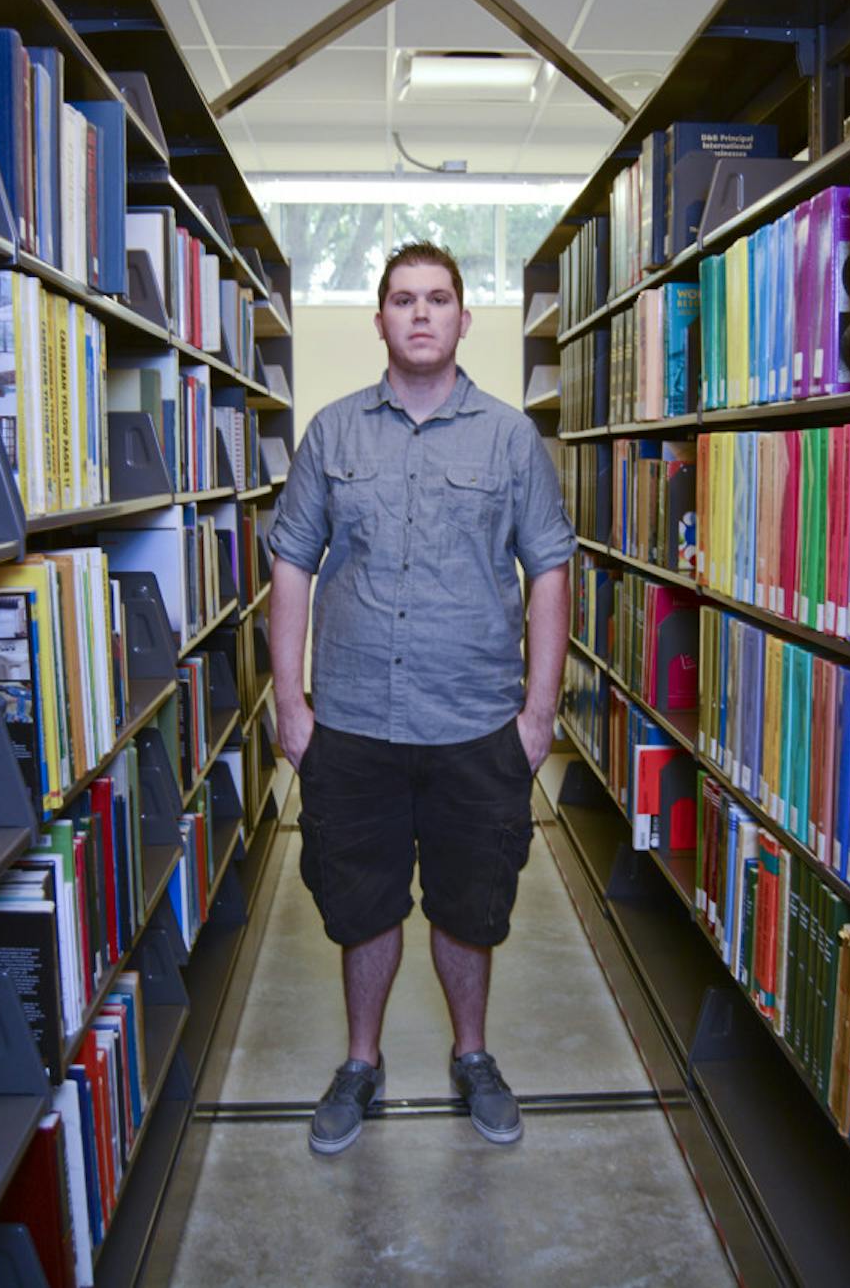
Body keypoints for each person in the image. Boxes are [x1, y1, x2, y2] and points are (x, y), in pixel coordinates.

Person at [269, 240, 575, 1156]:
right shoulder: (332, 434)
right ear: (380, 320)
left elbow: (550, 570)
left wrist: (537, 713)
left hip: (476, 725)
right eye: (402, 299)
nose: (421, 313)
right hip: (354, 723)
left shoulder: (512, 438)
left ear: (463, 317)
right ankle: (361, 1061)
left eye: (438, 298)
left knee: (467, 905)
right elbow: (291, 562)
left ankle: (472, 1053)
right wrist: (291, 706)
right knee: (361, 905)